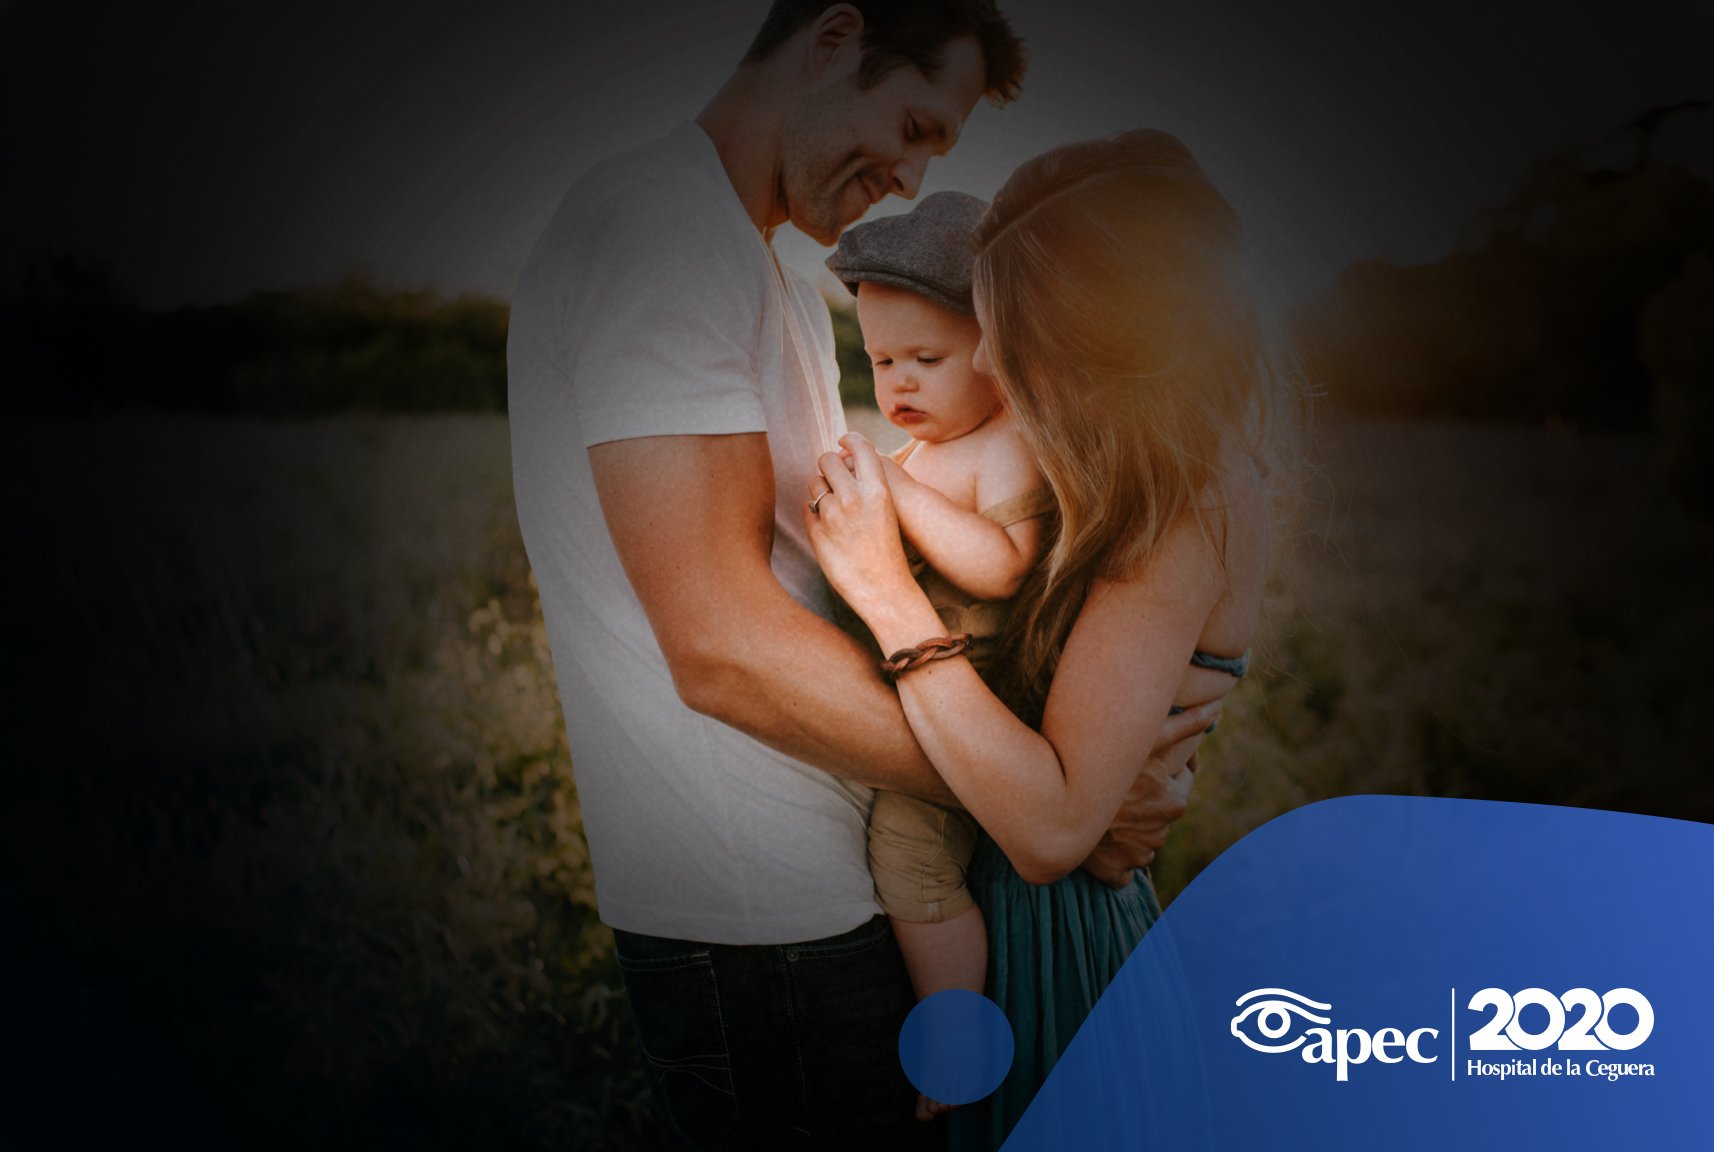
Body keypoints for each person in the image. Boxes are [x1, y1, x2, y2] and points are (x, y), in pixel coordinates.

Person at [508, 3, 1220, 1145]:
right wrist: (1046, 804)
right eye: (913, 122)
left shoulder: (767, 277)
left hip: (834, 886)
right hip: (765, 909)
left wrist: (1058, 784)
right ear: (833, 36)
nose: (911, 173)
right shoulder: (660, 231)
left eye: (937, 148)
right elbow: (724, 649)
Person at [805, 128, 1280, 1147]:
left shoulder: (1182, 506)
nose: (1010, 392)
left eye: (1027, 358)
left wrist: (891, 601)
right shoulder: (1109, 479)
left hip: (1054, 951)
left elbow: (1057, 827)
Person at [824, 190, 1051, 1120]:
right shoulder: (931, 449)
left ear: (999, 354)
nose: (900, 385)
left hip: (976, 710)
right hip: (920, 695)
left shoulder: (1007, 445)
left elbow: (1002, 567)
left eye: (927, 358)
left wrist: (894, 493)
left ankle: (958, 1043)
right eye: (882, 362)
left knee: (910, 861)